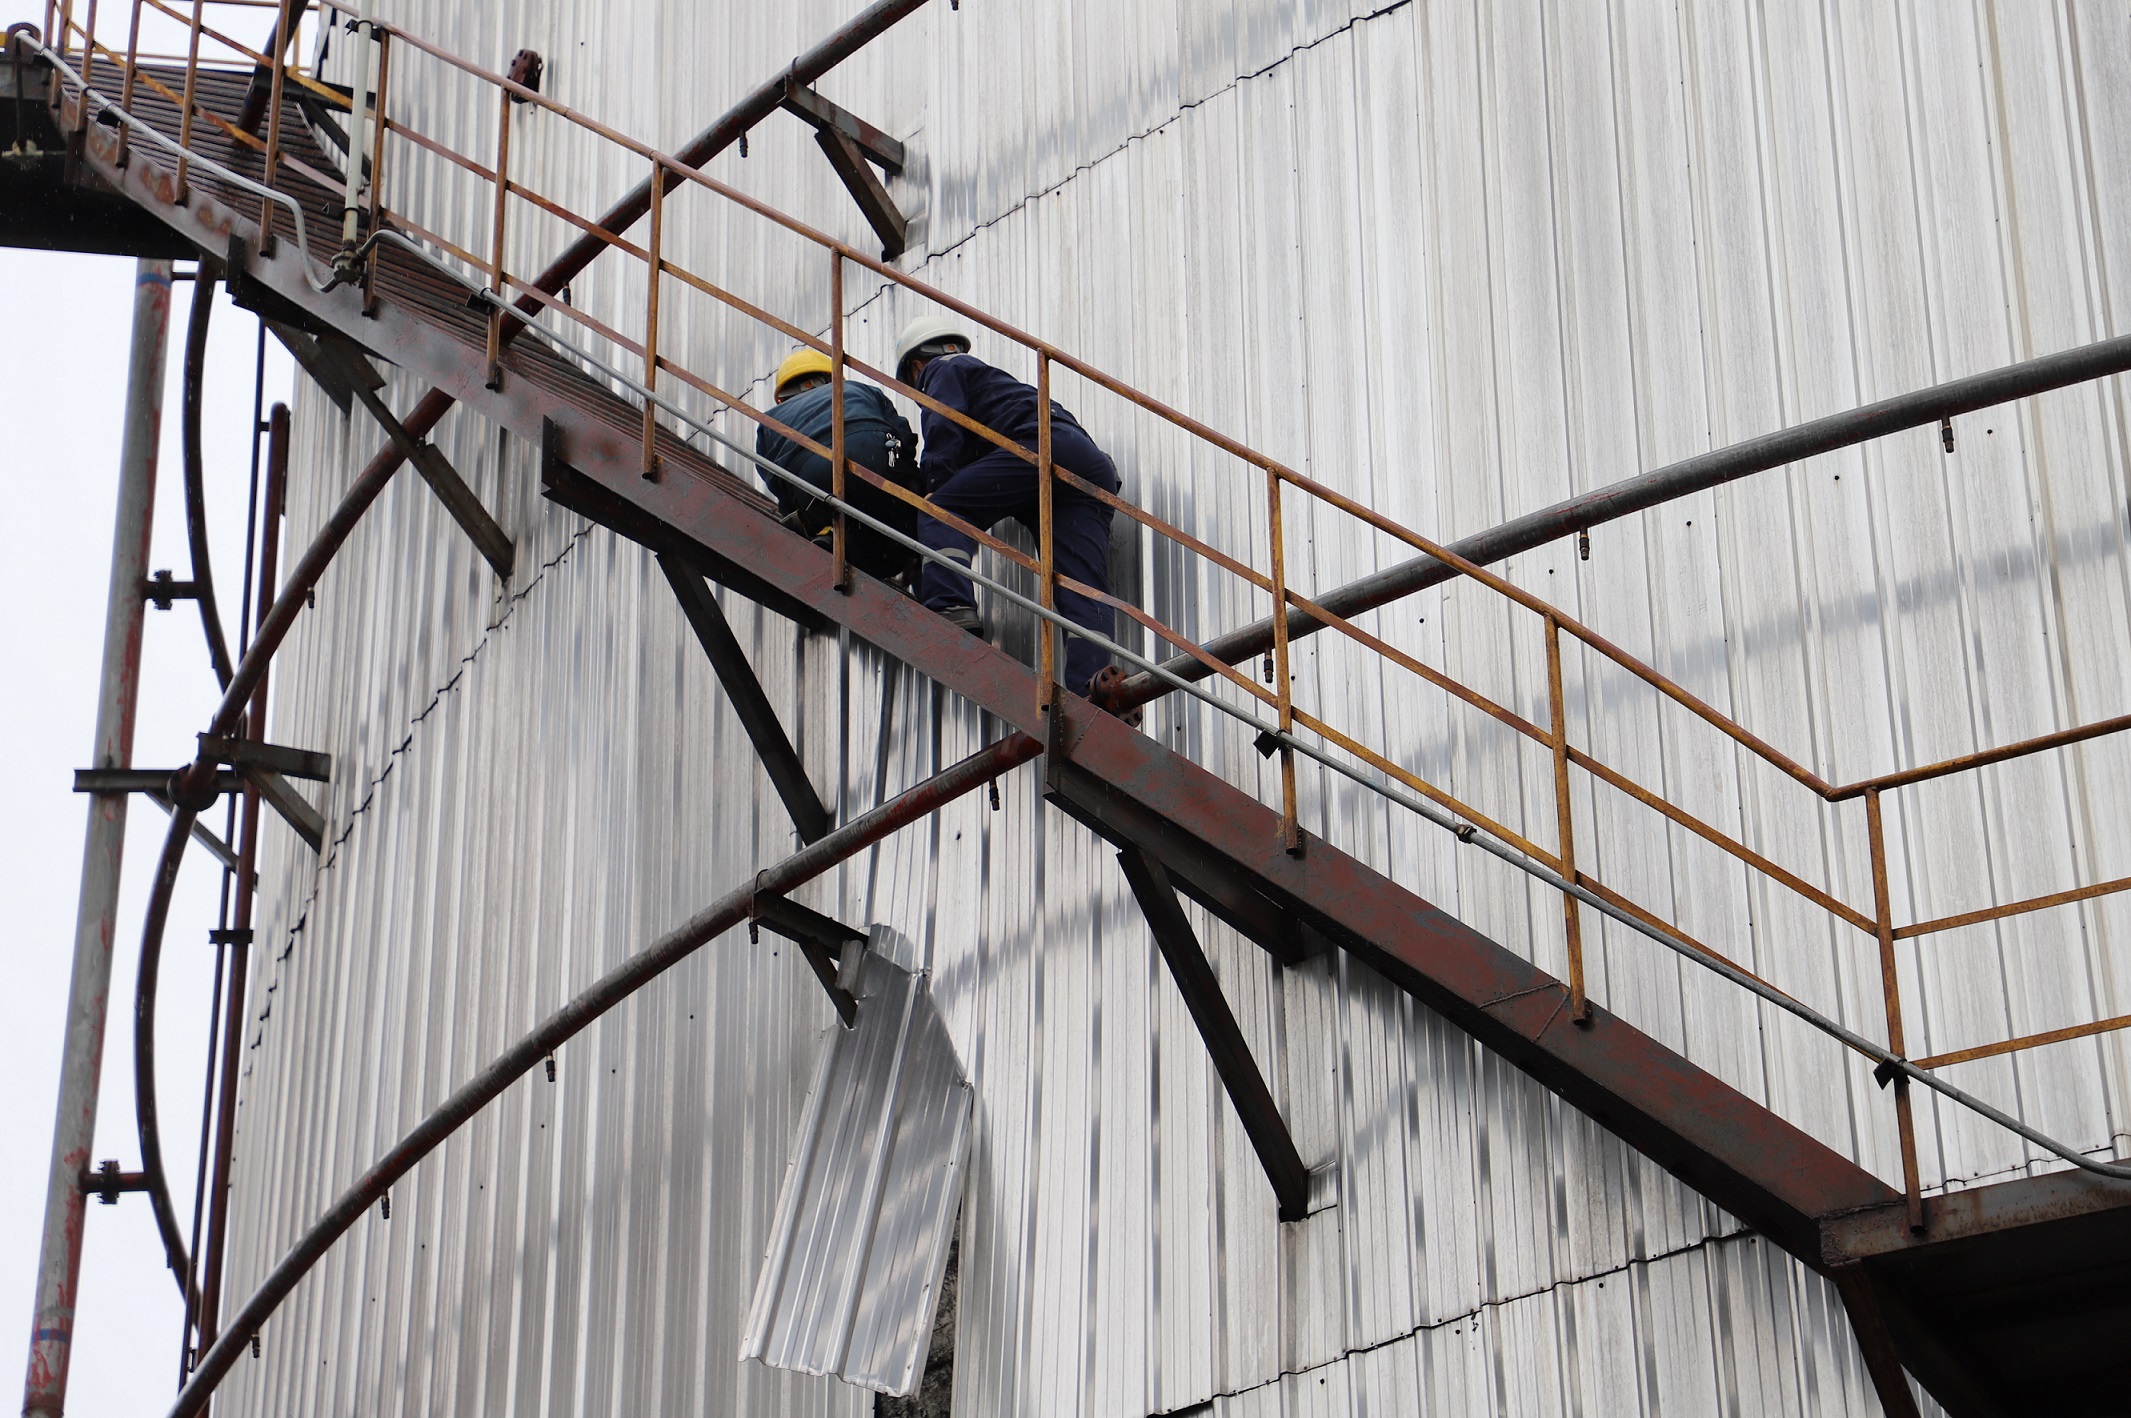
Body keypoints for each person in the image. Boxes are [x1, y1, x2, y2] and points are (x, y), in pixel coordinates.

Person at [894, 315, 1119, 696]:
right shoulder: (1002, 390)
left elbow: (943, 424)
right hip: (1088, 466)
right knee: (1081, 585)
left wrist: (934, 487)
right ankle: (1092, 688)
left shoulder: (942, 368)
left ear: (916, 366)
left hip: (1039, 451)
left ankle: (950, 606)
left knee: (942, 509)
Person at [755, 347, 921, 584]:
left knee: (830, 513)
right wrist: (910, 479)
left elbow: (776, 479)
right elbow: (903, 437)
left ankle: (830, 539)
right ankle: (929, 576)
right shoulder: (861, 389)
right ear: (832, 377)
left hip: (814, 477)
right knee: (919, 519)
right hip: (877, 457)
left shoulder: (768, 421)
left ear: (782, 396)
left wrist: (805, 515)